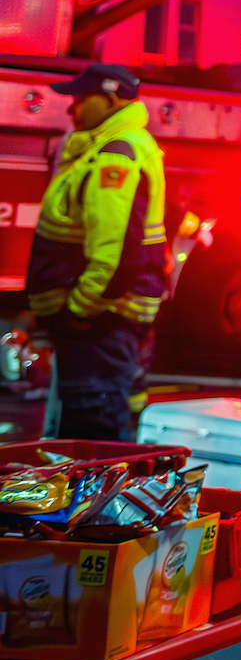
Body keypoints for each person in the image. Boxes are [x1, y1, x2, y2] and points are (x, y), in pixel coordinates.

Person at [27, 65, 166, 441]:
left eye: (80, 99)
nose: (71, 110)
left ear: (109, 99)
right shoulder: (109, 148)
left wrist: (78, 311)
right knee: (88, 433)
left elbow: (115, 254)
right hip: (101, 324)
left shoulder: (115, 157)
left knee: (93, 440)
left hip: (99, 325)